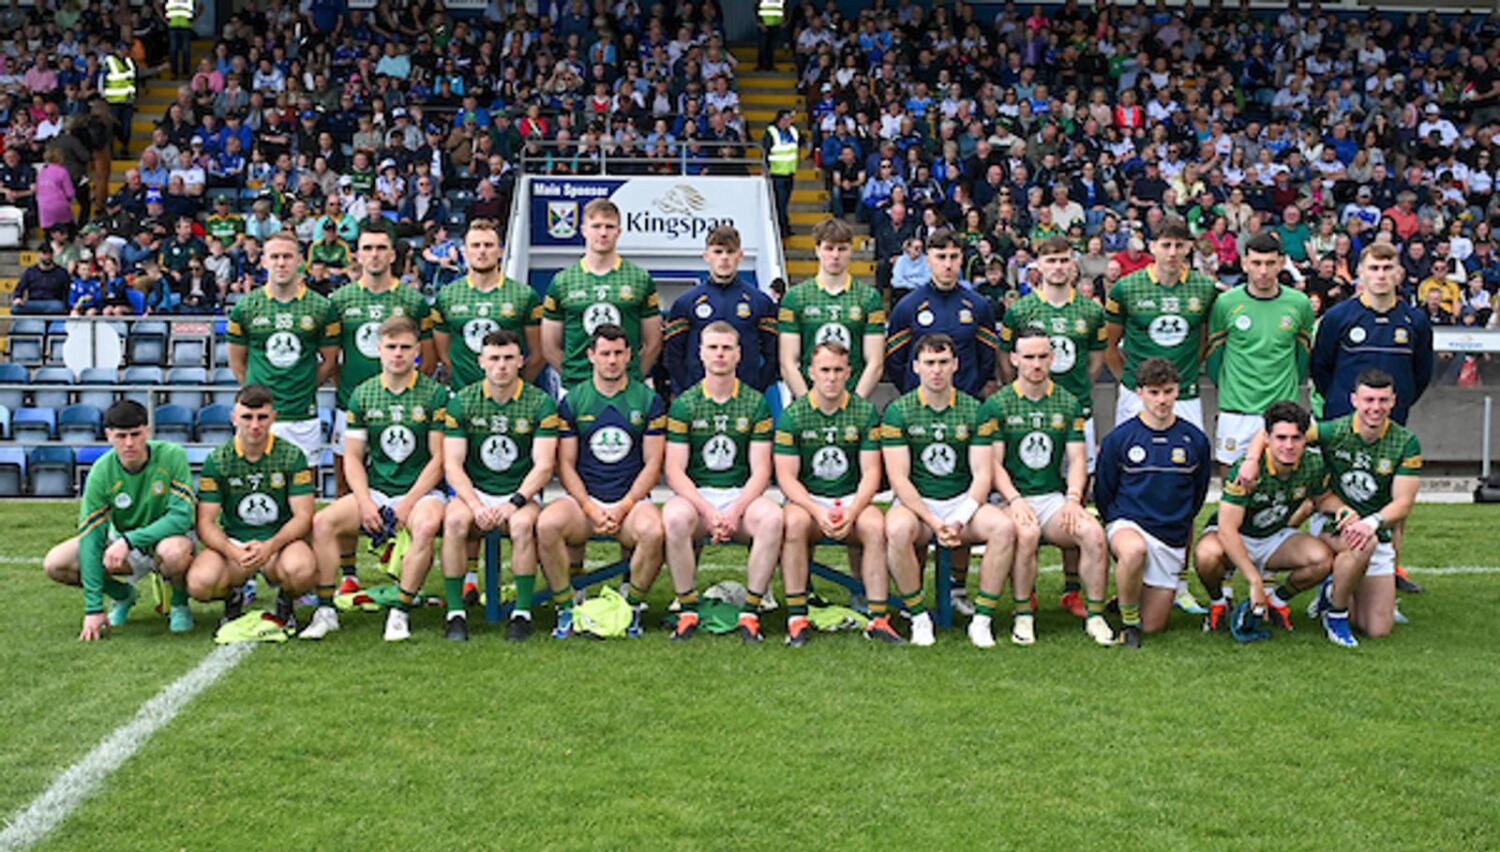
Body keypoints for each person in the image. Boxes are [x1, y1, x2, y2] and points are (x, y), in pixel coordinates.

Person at [1236, 370, 1421, 647]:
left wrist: (1370, 522)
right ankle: (1336, 614)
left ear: (1393, 401)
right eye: (1369, 400)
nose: (1375, 407)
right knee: (1362, 544)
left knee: (1376, 628)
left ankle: (1333, 590)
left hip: (1374, 527)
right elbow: (1271, 432)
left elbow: (1403, 503)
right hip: (1333, 521)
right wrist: (1251, 460)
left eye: (1383, 400)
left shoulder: (1405, 442)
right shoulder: (1333, 430)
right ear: (1354, 400)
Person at [304, 316, 450, 642]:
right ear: (378, 350)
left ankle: (401, 611)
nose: (398, 354)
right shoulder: (363, 394)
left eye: (405, 348)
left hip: (422, 494)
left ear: (417, 351)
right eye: (391, 347)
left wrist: (408, 503)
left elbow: (439, 459)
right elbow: (353, 457)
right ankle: (325, 609)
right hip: (377, 490)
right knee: (323, 522)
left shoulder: (435, 395)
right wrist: (365, 501)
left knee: (426, 526)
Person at [1103, 215, 1217, 614]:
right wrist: (1132, 385)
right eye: (1165, 244)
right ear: (1151, 246)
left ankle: (1179, 581)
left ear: (1189, 248)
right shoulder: (1126, 287)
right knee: (1128, 478)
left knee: (1182, 482)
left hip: (1183, 395)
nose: (1172, 252)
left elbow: (1203, 341)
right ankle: (1127, 575)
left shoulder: (1204, 288)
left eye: (1179, 245)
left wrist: (1177, 382)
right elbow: (1111, 346)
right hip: (1136, 396)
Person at [1309, 241, 1433, 595]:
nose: (1381, 275)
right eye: (1374, 268)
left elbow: (1421, 374)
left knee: (1391, 496)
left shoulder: (1415, 321)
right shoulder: (1338, 317)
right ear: (1360, 273)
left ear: (1399, 273)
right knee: (1333, 494)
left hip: (1389, 426)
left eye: (1387, 268)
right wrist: (1343, 406)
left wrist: (1394, 405)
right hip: (1343, 423)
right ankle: (1331, 571)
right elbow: (1321, 369)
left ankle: (1390, 568)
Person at [980, 328, 1116, 648]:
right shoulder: (997, 404)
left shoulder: (1068, 402)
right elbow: (993, 465)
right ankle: (1023, 615)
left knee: (1093, 533)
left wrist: (1073, 499)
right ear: (1014, 359)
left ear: (1053, 358)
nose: (1037, 364)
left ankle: (1095, 615)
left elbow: (1078, 459)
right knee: (1026, 534)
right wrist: (1014, 500)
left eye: (1043, 356)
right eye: (1029, 357)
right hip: (1008, 499)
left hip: (1052, 499)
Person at [882, 333, 1017, 647]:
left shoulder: (974, 409)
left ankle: (982, 619)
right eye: (929, 363)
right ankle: (918, 616)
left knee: (1003, 527)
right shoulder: (898, 411)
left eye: (943, 362)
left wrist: (960, 518)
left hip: (960, 502)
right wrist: (932, 520)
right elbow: (899, 479)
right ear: (916, 366)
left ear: (956, 364)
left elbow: (983, 474)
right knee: (897, 529)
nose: (936, 370)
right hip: (917, 505)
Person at [999, 235, 1107, 618]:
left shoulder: (1091, 311)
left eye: (1064, 260)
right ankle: (1024, 591)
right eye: (1051, 261)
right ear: (1038, 266)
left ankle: (1072, 588)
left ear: (1073, 264)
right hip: (1028, 416)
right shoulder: (1020, 310)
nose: (1058, 267)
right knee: (1029, 491)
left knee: (1074, 499)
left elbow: (1096, 361)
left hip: (1075, 415)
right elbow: (1005, 357)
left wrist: (1071, 395)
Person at [537, 325, 667, 638]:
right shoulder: (573, 401)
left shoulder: (648, 400)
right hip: (585, 503)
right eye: (605, 353)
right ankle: (566, 608)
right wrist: (588, 507)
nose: (612, 360)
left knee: (653, 531)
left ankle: (631, 608)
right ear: (591, 355)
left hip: (630, 502)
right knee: (547, 525)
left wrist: (625, 505)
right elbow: (565, 464)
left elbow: (653, 464)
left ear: (629, 355)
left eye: (618, 353)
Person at [660, 322, 783, 642]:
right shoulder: (685, 404)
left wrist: (734, 511)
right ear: (700, 353)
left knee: (772, 518)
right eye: (713, 347)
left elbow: (761, 470)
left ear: (738, 354)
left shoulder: (755, 403)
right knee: (674, 517)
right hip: (698, 498)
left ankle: (751, 612)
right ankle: (687, 609)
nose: (720, 354)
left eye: (727, 348)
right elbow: (674, 471)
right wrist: (709, 511)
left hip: (740, 497)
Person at [775, 341, 903, 646]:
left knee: (875, 525)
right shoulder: (793, 414)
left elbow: (871, 472)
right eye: (824, 370)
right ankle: (797, 617)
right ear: (811, 372)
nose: (831, 377)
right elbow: (786, 477)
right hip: (808, 500)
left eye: (837, 370)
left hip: (851, 498)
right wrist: (817, 511)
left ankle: (877, 618)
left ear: (848, 372)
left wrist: (853, 510)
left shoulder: (864, 412)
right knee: (793, 523)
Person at [440, 329, 562, 642]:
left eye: (508, 358)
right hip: (475, 491)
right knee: (454, 522)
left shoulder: (540, 403)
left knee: (521, 526)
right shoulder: (462, 402)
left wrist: (514, 502)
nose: (501, 365)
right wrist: (475, 505)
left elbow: (544, 465)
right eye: (494, 358)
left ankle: (521, 614)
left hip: (519, 492)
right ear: (481, 362)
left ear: (521, 360)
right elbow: (452, 464)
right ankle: (455, 614)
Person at [42, 400, 196, 640]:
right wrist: (93, 609)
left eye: (136, 434)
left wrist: (129, 540)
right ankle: (122, 595)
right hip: (125, 545)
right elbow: (91, 536)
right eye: (121, 436)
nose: (129, 443)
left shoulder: (171, 455)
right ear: (108, 435)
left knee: (174, 553)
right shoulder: (101, 471)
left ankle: (179, 603)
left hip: (166, 539)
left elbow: (181, 518)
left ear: (147, 431)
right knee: (56, 563)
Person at [1095, 358, 1212, 647]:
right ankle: (1128, 623)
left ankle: (1128, 596)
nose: (1162, 400)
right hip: (1129, 525)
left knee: (1155, 626)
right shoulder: (1119, 438)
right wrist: (1115, 523)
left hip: (1170, 537)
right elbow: (1104, 491)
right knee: (1133, 550)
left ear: (1178, 391)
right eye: (1154, 392)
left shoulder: (1195, 440)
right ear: (1140, 393)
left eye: (1168, 391)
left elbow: (1198, 493)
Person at [186, 385, 318, 640]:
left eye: (262, 417)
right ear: (234, 418)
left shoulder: (291, 456)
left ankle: (286, 600)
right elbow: (205, 523)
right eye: (247, 417)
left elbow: (303, 516)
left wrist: (270, 546)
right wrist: (233, 551)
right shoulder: (218, 459)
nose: (255, 425)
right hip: (236, 545)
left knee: (302, 571)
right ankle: (232, 596)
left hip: (279, 544)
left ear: (273, 417)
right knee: (200, 584)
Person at [1195, 401, 1337, 636]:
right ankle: (1218, 602)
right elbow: (1227, 530)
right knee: (1206, 555)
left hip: (1273, 536)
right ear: (1267, 438)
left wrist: (1345, 511)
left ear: (1305, 439)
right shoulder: (1245, 470)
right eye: (1281, 438)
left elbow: (1323, 499)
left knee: (1321, 559)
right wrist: (1254, 581)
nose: (1288, 445)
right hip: (1237, 534)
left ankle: (1277, 601)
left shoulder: (1313, 463)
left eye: (1296, 438)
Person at [329, 226, 434, 510]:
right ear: (357, 255)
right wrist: (349, 391)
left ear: (392, 255)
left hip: (404, 407)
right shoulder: (339, 300)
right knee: (344, 487)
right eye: (368, 248)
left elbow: (427, 358)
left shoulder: (413, 300)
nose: (374, 254)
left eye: (380, 248)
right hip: (350, 404)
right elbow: (331, 357)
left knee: (402, 483)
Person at [226, 231, 341, 467]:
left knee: (305, 484)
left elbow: (330, 361)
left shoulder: (321, 307)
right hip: (259, 416)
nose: (281, 263)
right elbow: (237, 364)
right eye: (275, 256)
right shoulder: (245, 307)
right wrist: (256, 394)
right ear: (263, 261)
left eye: (287, 256)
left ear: (300, 260)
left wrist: (304, 387)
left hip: (302, 414)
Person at [541, 198, 661, 388]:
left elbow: (653, 343)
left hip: (627, 388)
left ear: (618, 232)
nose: (603, 233)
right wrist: (575, 379)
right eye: (596, 226)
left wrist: (632, 377)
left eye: (609, 226)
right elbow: (549, 346)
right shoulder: (562, 281)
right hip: (577, 387)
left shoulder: (639, 278)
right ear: (584, 230)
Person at [663, 225, 779, 395]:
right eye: (718, 252)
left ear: (740, 255)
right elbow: (673, 355)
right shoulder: (686, 303)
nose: (724, 257)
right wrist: (689, 388)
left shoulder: (760, 302)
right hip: (698, 397)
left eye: (730, 252)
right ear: (706, 256)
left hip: (744, 398)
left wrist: (755, 388)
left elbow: (773, 354)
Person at [779, 217, 886, 398]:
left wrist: (854, 405)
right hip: (808, 399)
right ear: (817, 250)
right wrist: (808, 405)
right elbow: (788, 362)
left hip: (852, 399)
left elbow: (875, 363)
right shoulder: (795, 297)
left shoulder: (869, 297)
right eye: (829, 248)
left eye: (842, 249)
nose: (835, 255)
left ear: (851, 250)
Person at [885, 228, 999, 397]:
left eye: (954, 257)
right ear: (928, 260)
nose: (947, 265)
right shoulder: (907, 307)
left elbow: (987, 360)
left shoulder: (979, 306)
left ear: (961, 259)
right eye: (941, 257)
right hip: (919, 404)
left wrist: (970, 390)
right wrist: (914, 392)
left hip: (965, 402)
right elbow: (895, 362)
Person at [763, 109, 798, 236]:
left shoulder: (793, 131)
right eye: (786, 119)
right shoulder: (771, 132)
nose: (789, 122)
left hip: (789, 172)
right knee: (780, 202)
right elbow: (766, 152)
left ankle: (783, 226)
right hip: (776, 173)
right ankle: (782, 228)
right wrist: (766, 169)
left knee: (785, 202)